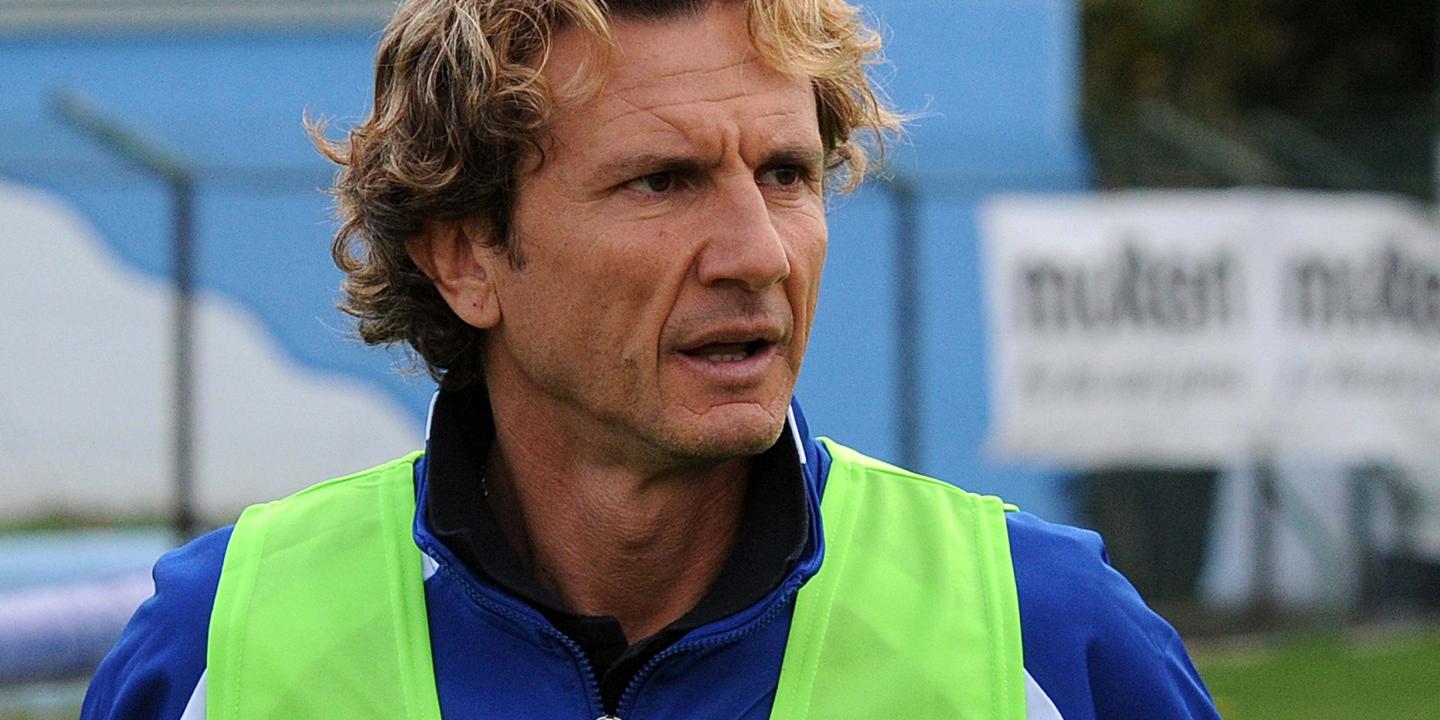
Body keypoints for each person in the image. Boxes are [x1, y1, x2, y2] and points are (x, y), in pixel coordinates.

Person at [83, 0, 1220, 717]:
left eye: (785, 175)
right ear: (468, 255)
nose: (757, 253)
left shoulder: (1045, 639)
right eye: (663, 182)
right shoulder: (219, 650)